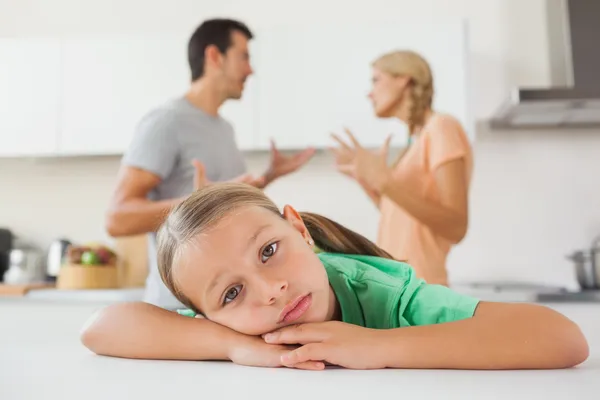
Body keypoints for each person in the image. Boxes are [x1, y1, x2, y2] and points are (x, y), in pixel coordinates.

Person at [81, 182, 589, 371]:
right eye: (232, 293)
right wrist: (231, 346)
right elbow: (100, 327)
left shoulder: (388, 297)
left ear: (300, 229)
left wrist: (376, 346)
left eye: (270, 250)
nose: (270, 290)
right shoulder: (240, 328)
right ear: (212, 314)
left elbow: (563, 339)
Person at [105, 18, 315, 309]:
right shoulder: (166, 122)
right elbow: (117, 218)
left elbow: (224, 208)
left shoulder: (223, 128)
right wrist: (198, 202)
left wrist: (267, 177)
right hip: (178, 310)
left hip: (228, 306)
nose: (250, 69)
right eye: (244, 56)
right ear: (214, 56)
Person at [330, 50, 472, 286]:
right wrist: (369, 182)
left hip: (423, 289)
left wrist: (387, 184)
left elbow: (456, 226)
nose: (369, 93)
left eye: (376, 80)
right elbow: (404, 217)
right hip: (399, 286)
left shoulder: (442, 127)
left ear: (404, 79)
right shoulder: (414, 139)